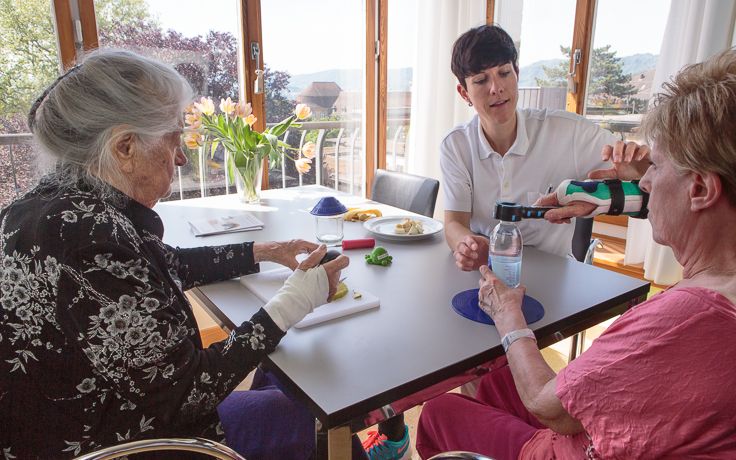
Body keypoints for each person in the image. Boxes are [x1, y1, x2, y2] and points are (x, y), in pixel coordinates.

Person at [0, 49, 354, 459]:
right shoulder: (86, 235)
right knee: (308, 416)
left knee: (283, 374)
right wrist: (296, 300)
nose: (182, 156)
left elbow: (161, 266)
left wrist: (271, 250)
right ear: (125, 146)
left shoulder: (54, 204)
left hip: (73, 421)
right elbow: (186, 392)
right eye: (173, 138)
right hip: (115, 442)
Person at [416, 47, 736, 459]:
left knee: (441, 410)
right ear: (465, 91)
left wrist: (508, 315)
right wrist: (608, 199)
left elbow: (549, 407)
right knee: (496, 381)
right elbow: (667, 196)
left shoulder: (679, 322)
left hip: (571, 446)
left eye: (654, 166)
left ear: (700, 190)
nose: (646, 182)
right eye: (481, 80)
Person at [442, 24, 649, 270]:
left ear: (517, 73)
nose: (496, 88)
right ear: (464, 92)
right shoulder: (456, 145)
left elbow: (643, 169)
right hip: (486, 270)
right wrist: (468, 245)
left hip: (553, 276)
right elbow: (454, 222)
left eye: (505, 73)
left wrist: (639, 164)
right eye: (480, 80)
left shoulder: (567, 131)